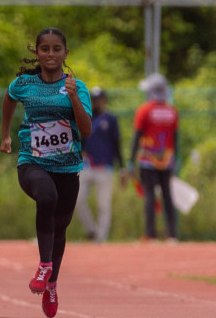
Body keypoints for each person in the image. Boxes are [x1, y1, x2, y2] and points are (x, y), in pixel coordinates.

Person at [0, 27, 92, 318]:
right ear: (37, 53)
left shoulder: (77, 86)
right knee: (46, 197)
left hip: (67, 166)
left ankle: (51, 283)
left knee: (61, 228)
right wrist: (5, 135)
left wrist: (74, 97)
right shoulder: (24, 83)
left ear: (65, 54)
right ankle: (43, 265)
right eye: (45, 49)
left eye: (56, 49)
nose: (50, 54)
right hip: (32, 161)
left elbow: (86, 130)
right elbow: (8, 99)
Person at [131, 74, 180, 243]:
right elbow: (175, 138)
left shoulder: (144, 110)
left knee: (150, 196)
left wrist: (131, 160)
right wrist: (176, 158)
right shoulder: (172, 111)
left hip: (147, 159)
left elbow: (137, 136)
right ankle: (172, 234)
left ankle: (150, 234)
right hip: (167, 159)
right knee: (167, 196)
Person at [77, 88, 120, 242]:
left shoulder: (110, 119)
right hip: (87, 165)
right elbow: (81, 141)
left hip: (105, 166)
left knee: (104, 205)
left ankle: (101, 238)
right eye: (94, 99)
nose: (96, 102)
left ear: (104, 100)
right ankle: (92, 230)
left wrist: (121, 168)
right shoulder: (86, 117)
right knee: (78, 199)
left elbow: (116, 143)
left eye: (99, 99)